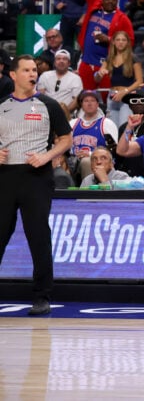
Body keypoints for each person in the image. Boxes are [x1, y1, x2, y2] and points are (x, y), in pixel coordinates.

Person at [0, 55, 72, 316]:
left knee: (39, 237)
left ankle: (42, 296)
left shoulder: (48, 105)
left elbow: (66, 139)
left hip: (36, 178)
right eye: (27, 70)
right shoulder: (1, 105)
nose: (32, 74)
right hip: (4, 178)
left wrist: (47, 156)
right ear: (13, 75)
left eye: (34, 70)